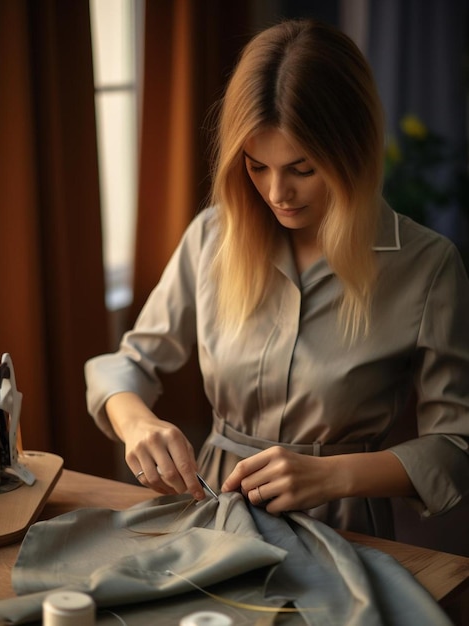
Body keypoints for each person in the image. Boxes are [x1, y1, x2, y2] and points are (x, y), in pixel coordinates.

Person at [85, 18, 469, 538]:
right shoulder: (212, 237)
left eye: (302, 168)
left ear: (352, 152)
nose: (276, 192)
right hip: (214, 517)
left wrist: (333, 475)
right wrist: (137, 423)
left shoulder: (427, 267)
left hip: (346, 527)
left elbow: (455, 445)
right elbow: (128, 364)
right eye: (256, 165)